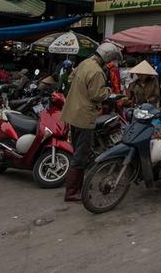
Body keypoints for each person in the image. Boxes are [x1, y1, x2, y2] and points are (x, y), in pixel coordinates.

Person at [61, 42, 121, 202]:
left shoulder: (84, 63)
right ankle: (72, 192)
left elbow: (71, 79)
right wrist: (109, 91)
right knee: (81, 155)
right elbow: (97, 95)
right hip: (84, 116)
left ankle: (78, 187)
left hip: (72, 113)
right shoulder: (97, 71)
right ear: (107, 57)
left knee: (77, 152)